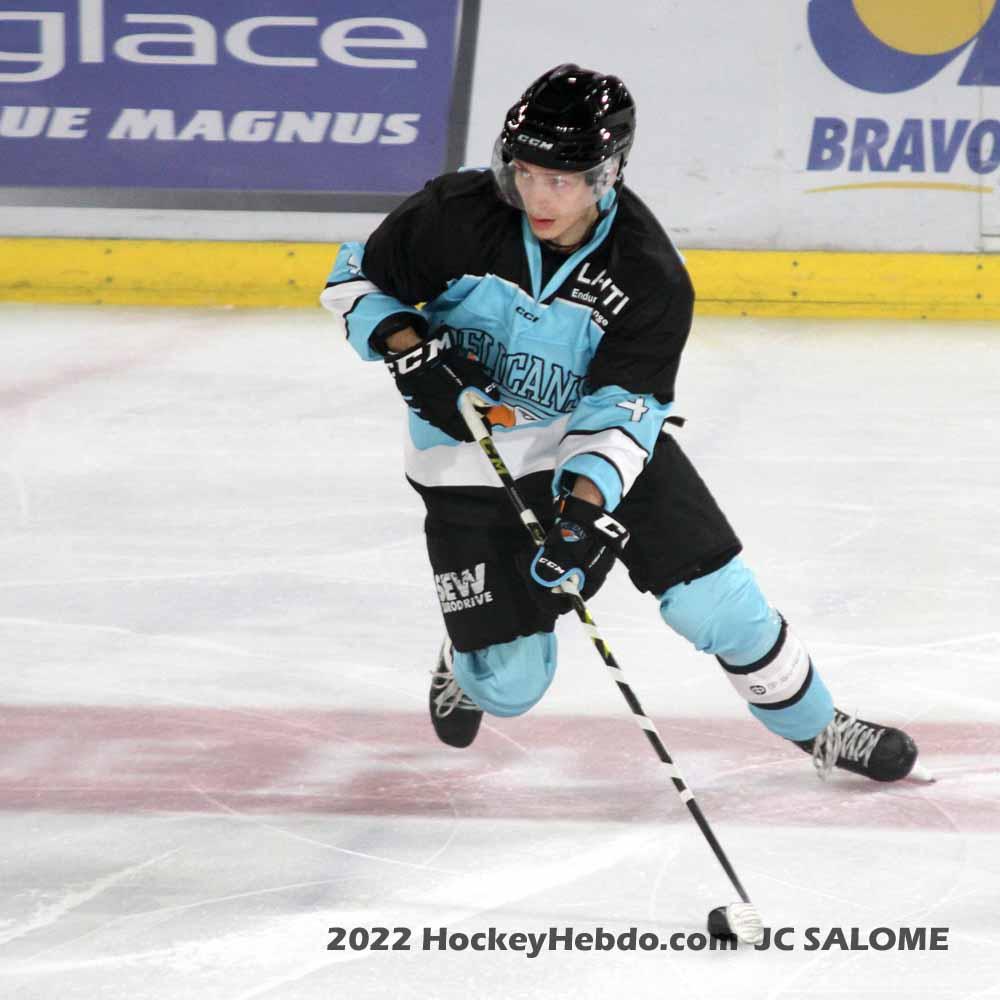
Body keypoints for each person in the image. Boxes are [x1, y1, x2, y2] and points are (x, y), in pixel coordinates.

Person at [321, 64, 923, 782]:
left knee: (719, 605)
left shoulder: (646, 272)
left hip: (597, 455)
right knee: (510, 687)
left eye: (563, 179)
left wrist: (580, 517)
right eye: (526, 172)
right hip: (467, 464)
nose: (538, 196)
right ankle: (467, 659)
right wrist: (407, 346)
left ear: (606, 175)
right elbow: (354, 279)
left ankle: (820, 728)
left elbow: (622, 415)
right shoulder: (454, 214)